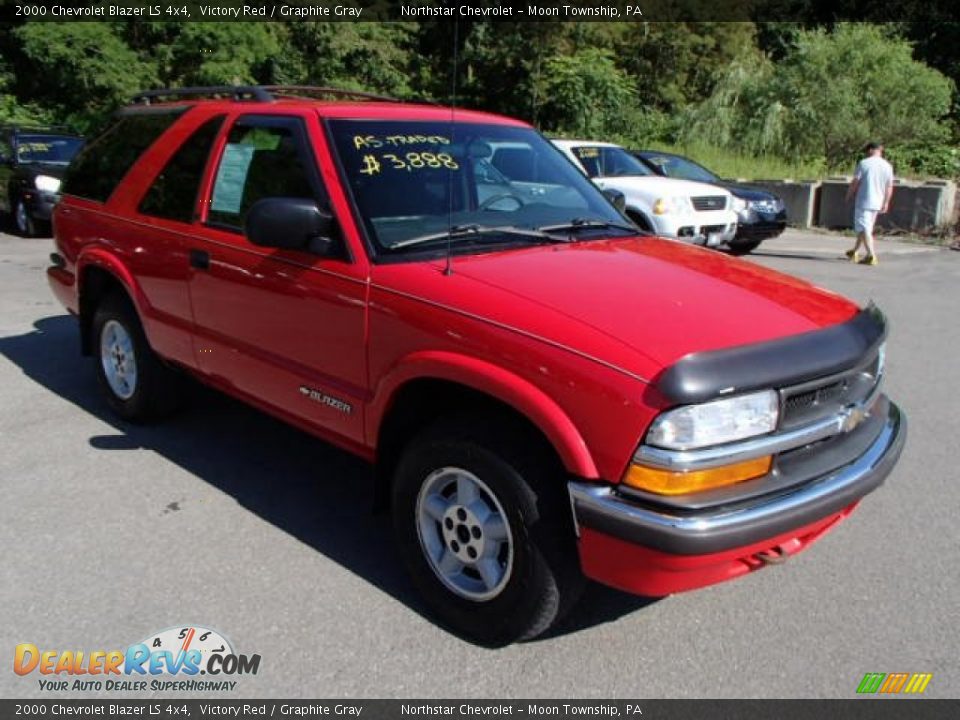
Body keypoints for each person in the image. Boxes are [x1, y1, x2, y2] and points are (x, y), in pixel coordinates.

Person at [845, 142, 894, 266]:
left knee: (864, 228)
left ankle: (871, 255)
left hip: (864, 200)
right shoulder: (887, 166)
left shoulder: (864, 163)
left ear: (871, 150)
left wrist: (849, 195)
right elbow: (889, 186)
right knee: (866, 227)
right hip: (877, 201)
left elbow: (855, 181)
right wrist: (886, 202)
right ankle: (854, 251)